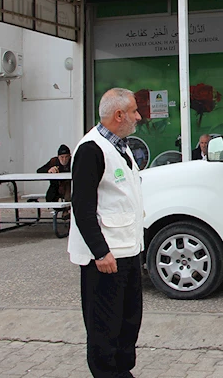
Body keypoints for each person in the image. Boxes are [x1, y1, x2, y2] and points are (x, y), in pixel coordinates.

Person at [68, 88, 144, 378]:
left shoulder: (120, 146)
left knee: (128, 321)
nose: (139, 117)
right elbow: (82, 207)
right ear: (119, 115)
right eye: (134, 111)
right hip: (106, 257)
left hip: (128, 249)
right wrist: (100, 252)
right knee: (104, 325)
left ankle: (123, 371)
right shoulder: (91, 149)